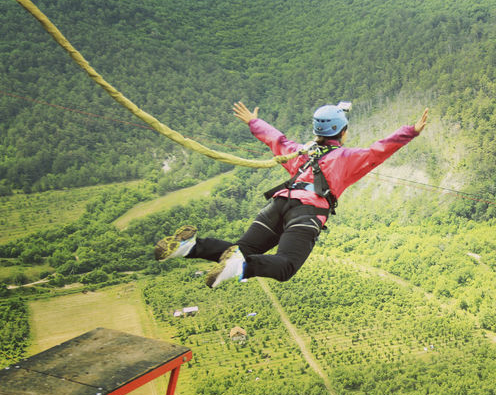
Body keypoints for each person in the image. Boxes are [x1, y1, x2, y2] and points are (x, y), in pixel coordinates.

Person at [154, 101, 429, 287]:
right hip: (306, 213)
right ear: (343, 133)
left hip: (277, 205)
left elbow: (277, 139)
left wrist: (254, 121)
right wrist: (411, 132)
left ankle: (187, 247)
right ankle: (241, 268)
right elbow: (377, 151)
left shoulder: (301, 152)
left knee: (244, 248)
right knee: (284, 267)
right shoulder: (346, 158)